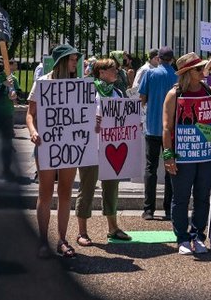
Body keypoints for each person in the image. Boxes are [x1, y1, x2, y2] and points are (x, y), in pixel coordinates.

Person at [162, 53, 211, 254]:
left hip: (207, 155)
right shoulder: (174, 95)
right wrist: (168, 156)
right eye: (199, 69)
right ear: (187, 73)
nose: (203, 72)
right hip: (183, 156)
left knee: (202, 196)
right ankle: (181, 238)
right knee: (180, 198)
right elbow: (166, 128)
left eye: (203, 68)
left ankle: (198, 235)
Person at [27, 43, 82, 259]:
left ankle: (62, 240)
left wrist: (92, 124)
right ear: (61, 61)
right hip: (46, 145)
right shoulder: (42, 83)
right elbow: (30, 114)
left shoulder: (78, 85)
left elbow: (82, 117)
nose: (75, 63)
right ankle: (42, 241)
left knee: (66, 193)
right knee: (46, 192)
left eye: (76, 59)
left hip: (69, 146)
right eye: (72, 59)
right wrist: (32, 131)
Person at [74, 57, 133, 246]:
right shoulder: (88, 92)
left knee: (111, 189)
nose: (116, 72)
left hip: (111, 148)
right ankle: (82, 232)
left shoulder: (117, 93)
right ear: (101, 72)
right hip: (90, 147)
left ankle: (113, 228)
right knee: (87, 189)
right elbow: (78, 116)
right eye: (113, 69)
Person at [138, 46, 177, 220]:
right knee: (171, 168)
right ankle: (169, 208)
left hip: (153, 128)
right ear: (172, 59)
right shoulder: (177, 76)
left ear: (158, 58)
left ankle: (148, 209)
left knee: (150, 167)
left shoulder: (150, 74)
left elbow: (142, 99)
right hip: (171, 131)